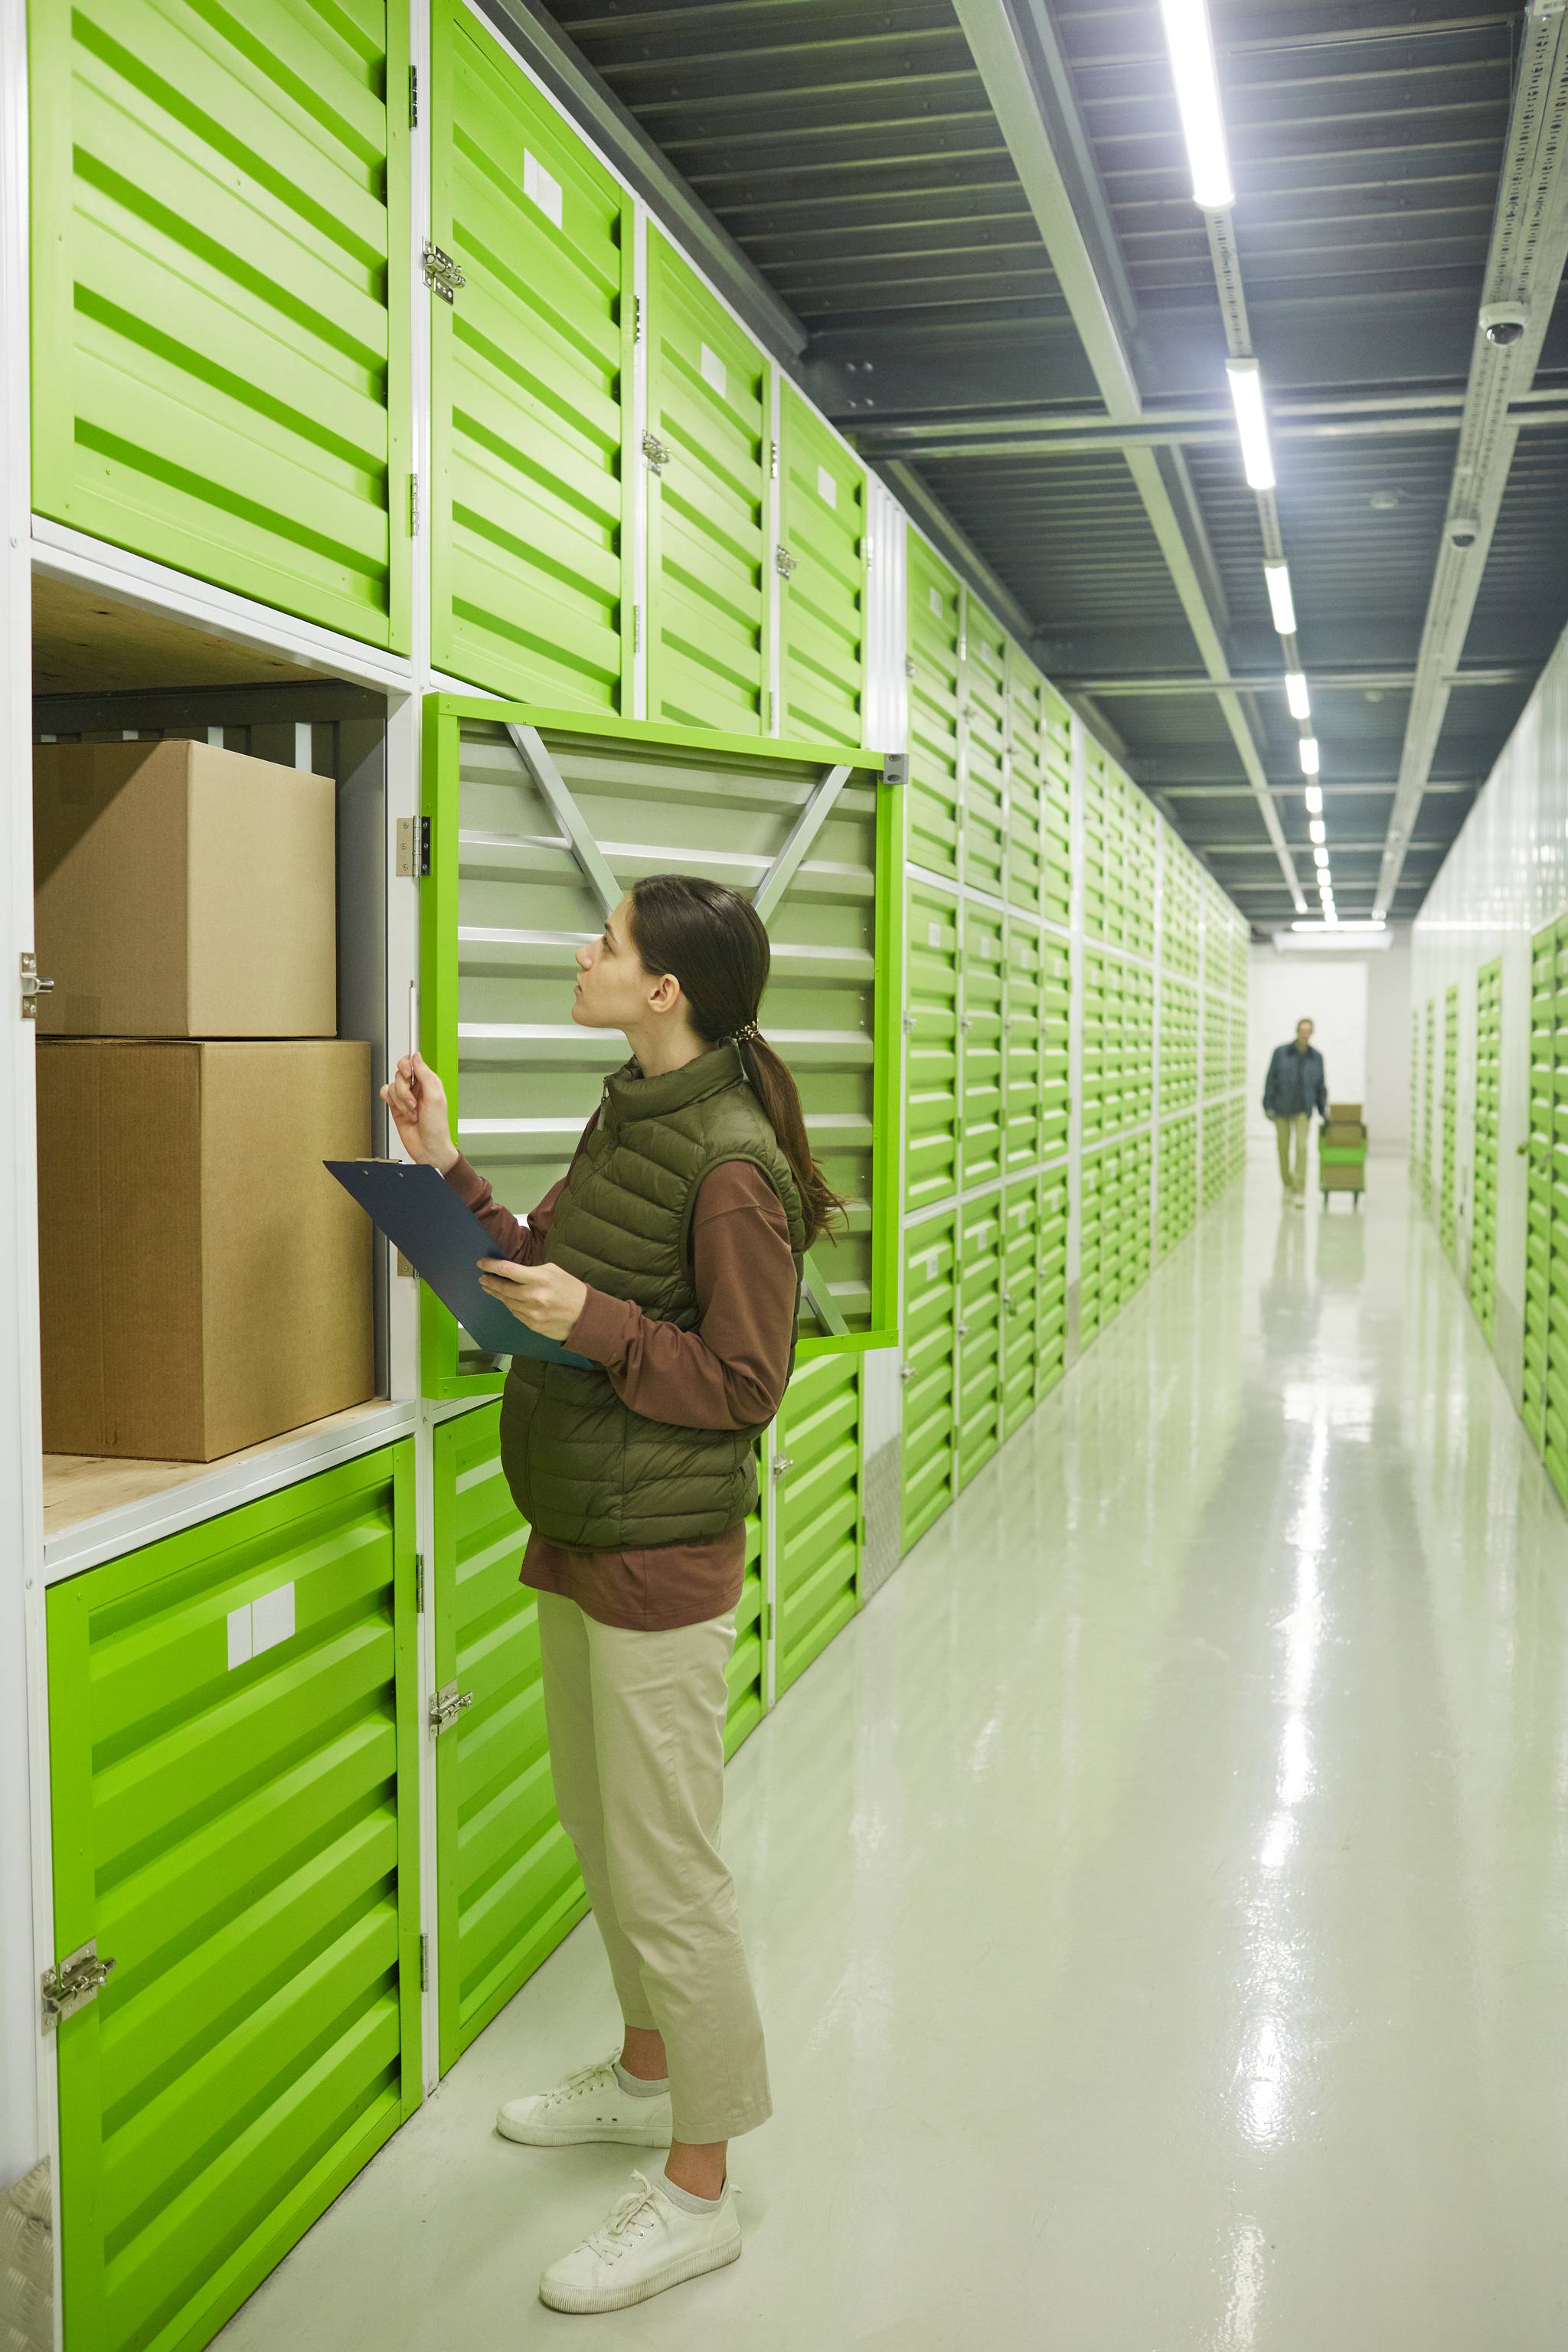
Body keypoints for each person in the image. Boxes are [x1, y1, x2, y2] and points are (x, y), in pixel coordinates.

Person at [381, 873, 844, 2316]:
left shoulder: (728, 1164)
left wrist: (602, 1324)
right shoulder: (630, 1114)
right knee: (601, 1829)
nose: (583, 952)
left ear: (665, 992)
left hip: (662, 1559)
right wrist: (446, 1172)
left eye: (608, 943)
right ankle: (647, 2073)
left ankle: (698, 2188)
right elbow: (551, 1270)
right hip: (578, 1526)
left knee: (669, 1872)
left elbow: (748, 1384)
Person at [1263, 1016, 1328, 1207]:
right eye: (1302, 1030)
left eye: (1309, 1031)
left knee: (1301, 1148)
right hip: (1282, 1108)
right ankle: (1287, 1184)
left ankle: (1299, 1190)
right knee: (1283, 1149)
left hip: (1303, 1110)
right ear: (1297, 1031)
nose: (1305, 1034)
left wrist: (1323, 1110)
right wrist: (1268, 1104)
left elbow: (1320, 1086)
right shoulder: (1281, 1053)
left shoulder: (1316, 1057)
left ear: (1312, 1033)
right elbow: (1270, 1080)